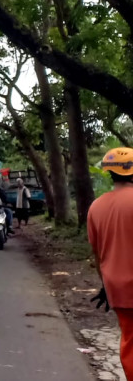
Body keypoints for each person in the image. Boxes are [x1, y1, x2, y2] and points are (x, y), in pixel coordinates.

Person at [87, 147, 133, 379]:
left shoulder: (96, 207)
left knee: (130, 340)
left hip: (117, 288)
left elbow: (98, 254)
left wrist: (105, 285)